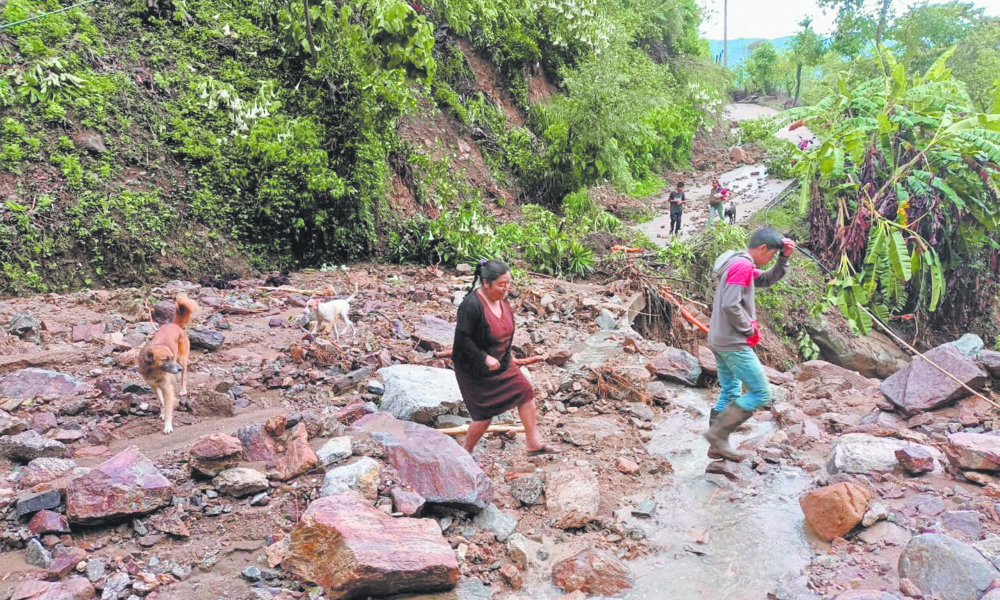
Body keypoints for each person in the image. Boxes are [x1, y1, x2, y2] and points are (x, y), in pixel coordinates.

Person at [704, 227, 795, 461]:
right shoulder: (742, 266)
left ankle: (717, 446)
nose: (770, 260)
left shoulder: (736, 262)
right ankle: (718, 435)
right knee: (762, 393)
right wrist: (748, 328)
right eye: (772, 255)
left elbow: (765, 279)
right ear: (762, 248)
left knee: (730, 390)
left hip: (719, 338)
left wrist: (783, 260)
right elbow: (730, 304)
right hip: (733, 342)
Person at [452, 260, 559, 457]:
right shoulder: (471, 306)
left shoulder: (502, 300)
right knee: (484, 418)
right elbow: (461, 341)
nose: (506, 288)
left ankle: (533, 443)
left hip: (502, 362)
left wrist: (505, 358)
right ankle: (465, 453)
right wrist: (484, 358)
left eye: (508, 283)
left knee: (525, 392)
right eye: (501, 284)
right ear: (486, 283)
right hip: (473, 369)